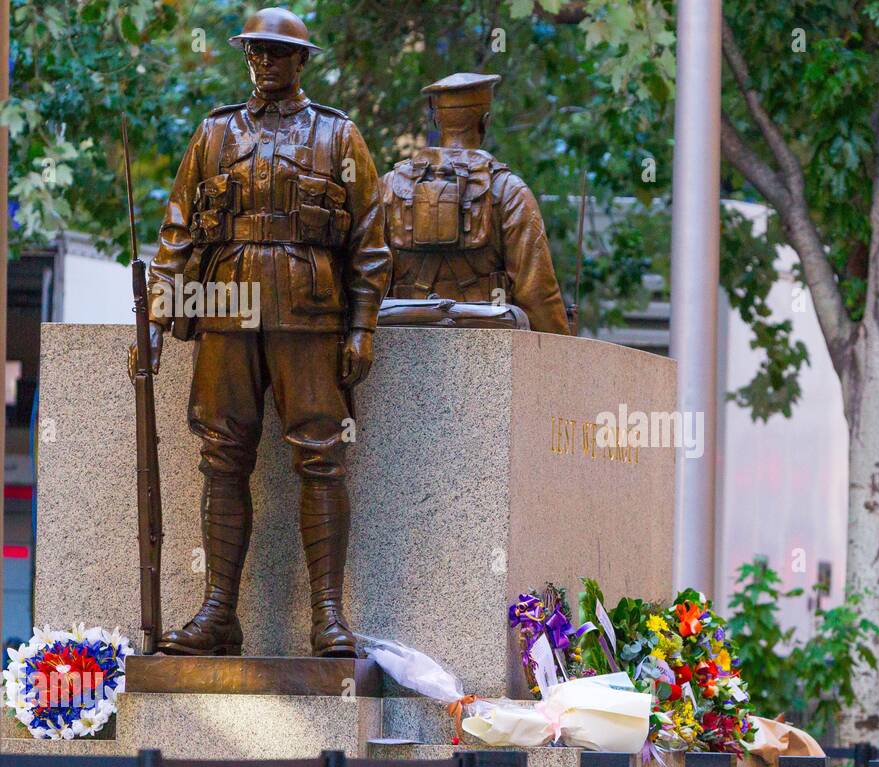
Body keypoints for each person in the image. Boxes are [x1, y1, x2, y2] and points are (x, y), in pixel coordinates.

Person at [145, 7, 391, 658]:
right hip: (227, 301)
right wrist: (157, 311)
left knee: (321, 457)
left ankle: (329, 619)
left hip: (309, 308)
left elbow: (370, 240)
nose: (266, 63)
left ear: (302, 61)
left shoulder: (339, 137)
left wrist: (362, 327)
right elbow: (177, 228)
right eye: (256, 52)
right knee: (222, 456)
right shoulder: (215, 133)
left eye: (279, 53)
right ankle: (218, 613)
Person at [378, 72, 571, 334]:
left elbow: (366, 274)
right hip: (491, 348)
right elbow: (537, 293)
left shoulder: (389, 186)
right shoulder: (509, 191)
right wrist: (561, 358)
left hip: (402, 344)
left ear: (437, 119)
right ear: (485, 121)